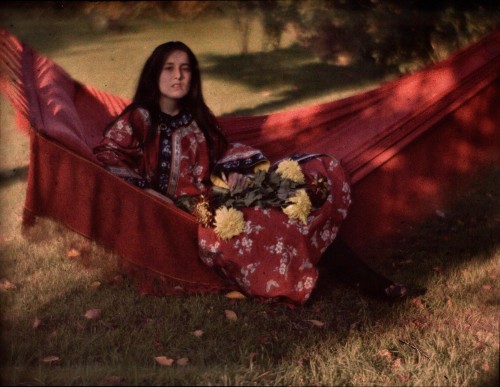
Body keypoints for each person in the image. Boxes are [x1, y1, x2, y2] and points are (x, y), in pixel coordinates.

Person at [93, 41, 407, 305]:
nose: (178, 76)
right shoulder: (140, 118)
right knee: (267, 224)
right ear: (154, 74)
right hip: (194, 217)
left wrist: (234, 175)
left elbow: (222, 155)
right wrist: (149, 193)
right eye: (169, 68)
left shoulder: (200, 118)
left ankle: (371, 282)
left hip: (223, 198)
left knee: (296, 201)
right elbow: (108, 155)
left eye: (185, 69)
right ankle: (320, 280)